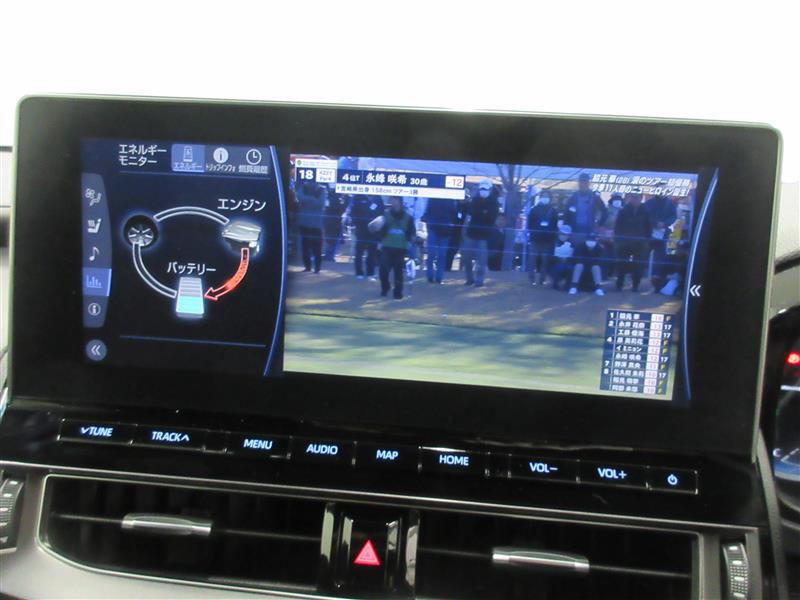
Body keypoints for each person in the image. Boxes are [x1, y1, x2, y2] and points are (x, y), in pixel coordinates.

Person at [375, 196, 415, 299]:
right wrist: (379, 241)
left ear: (400, 202)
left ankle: (398, 292)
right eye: (391, 200)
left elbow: (411, 232)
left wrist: (410, 242)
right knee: (383, 270)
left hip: (400, 247)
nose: (392, 202)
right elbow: (380, 230)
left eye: (394, 200)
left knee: (398, 271)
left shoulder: (408, 217)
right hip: (387, 246)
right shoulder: (385, 215)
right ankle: (385, 287)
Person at [462, 178, 499, 287]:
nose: (483, 191)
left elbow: (491, 217)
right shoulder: (474, 201)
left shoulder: (494, 203)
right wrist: (482, 212)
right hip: (471, 233)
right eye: (482, 189)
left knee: (481, 259)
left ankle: (479, 280)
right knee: (466, 257)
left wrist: (480, 213)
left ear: (490, 190)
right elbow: (471, 213)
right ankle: (469, 278)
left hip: (485, 236)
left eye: (486, 189)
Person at [614, 193, 651, 291]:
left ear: (641, 198)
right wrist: (618, 239)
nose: (635, 199)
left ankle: (635, 285)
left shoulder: (645, 211)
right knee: (622, 264)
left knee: (638, 265)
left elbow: (648, 227)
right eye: (633, 197)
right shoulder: (623, 211)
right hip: (625, 242)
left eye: (637, 197)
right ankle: (619, 284)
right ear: (630, 198)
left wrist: (647, 240)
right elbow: (617, 226)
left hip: (640, 242)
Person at [422, 196, 458, 283]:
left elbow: (454, 215)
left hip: (444, 230)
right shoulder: (434, 197)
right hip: (434, 228)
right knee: (433, 254)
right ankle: (431, 277)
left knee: (441, 255)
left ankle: (438, 278)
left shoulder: (450, 199)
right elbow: (428, 211)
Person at [348, 195, 384, 279]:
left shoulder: (378, 198)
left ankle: (370, 273)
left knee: (372, 253)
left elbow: (382, 214)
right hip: (361, 230)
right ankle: (359, 273)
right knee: (359, 253)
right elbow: (352, 213)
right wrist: (357, 223)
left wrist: (379, 226)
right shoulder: (358, 197)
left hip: (374, 231)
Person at [527, 194, 557, 285]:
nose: (545, 198)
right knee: (533, 260)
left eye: (546, 196)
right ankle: (532, 279)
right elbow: (529, 224)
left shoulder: (553, 211)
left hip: (547, 240)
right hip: (535, 239)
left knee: (544, 261)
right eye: (544, 196)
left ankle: (542, 279)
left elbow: (554, 225)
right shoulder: (534, 209)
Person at [295, 181, 325, 273]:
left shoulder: (322, 190)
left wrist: (307, 200)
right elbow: (300, 198)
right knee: (305, 247)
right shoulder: (303, 188)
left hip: (316, 224)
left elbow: (320, 203)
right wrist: (313, 199)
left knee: (317, 248)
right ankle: (307, 267)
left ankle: (317, 268)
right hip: (304, 223)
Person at [323, 189, 348, 261]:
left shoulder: (329, 200)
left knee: (330, 241)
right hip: (335, 223)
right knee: (332, 241)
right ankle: (329, 256)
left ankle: (328, 255)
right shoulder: (336, 200)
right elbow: (342, 209)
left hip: (329, 222)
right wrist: (347, 199)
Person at [549, 224, 575, 290]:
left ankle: (567, 286)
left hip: (567, 263)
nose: (564, 236)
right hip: (555, 264)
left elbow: (573, 257)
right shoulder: (553, 243)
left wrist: (567, 260)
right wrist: (558, 259)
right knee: (560, 268)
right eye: (562, 234)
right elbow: (549, 257)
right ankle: (555, 284)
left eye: (566, 234)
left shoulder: (572, 244)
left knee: (570, 268)